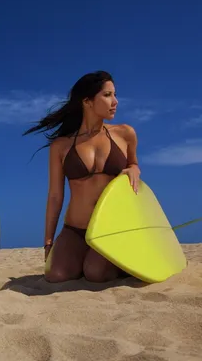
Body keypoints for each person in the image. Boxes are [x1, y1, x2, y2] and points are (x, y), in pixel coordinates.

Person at [23, 70, 141, 283]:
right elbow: (55, 196)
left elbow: (133, 164)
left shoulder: (125, 134)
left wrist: (134, 168)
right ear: (87, 101)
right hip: (75, 229)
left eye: (114, 94)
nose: (115, 101)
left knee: (95, 273)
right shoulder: (61, 146)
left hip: (112, 227)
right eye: (107, 95)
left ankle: (119, 258)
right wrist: (48, 241)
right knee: (56, 275)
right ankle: (89, 258)